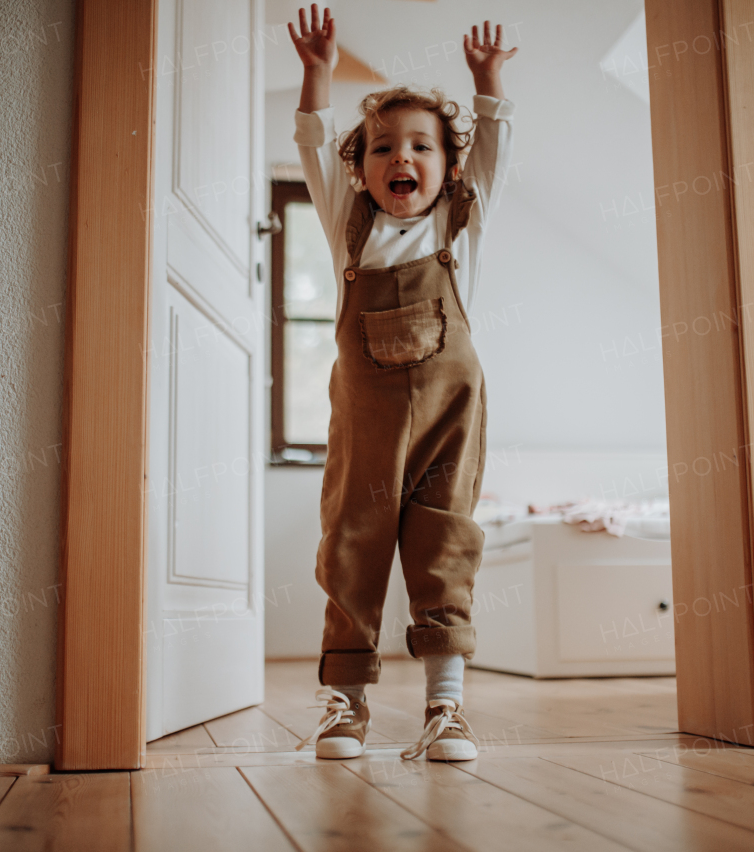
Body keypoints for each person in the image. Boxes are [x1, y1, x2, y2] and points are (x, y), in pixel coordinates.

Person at [287, 4, 516, 761]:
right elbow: (317, 149)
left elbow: (493, 152)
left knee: (443, 542)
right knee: (353, 542)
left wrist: (487, 86)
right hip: (367, 416)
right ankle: (344, 703)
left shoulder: (461, 226)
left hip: (451, 415)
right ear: (362, 171)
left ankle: (445, 708)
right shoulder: (350, 224)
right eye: (383, 148)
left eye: (421, 146)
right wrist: (317, 74)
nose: (400, 158)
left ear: (448, 168)